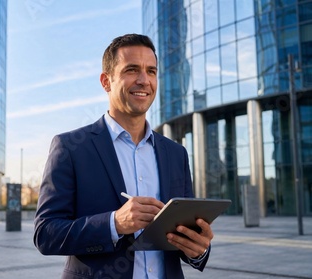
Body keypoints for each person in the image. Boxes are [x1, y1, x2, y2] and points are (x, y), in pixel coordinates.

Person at [33, 34, 213, 279]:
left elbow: (184, 234)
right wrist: (114, 223)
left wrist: (197, 249)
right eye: (132, 70)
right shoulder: (70, 147)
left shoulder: (176, 153)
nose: (144, 80)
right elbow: (46, 234)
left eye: (151, 71)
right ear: (106, 81)